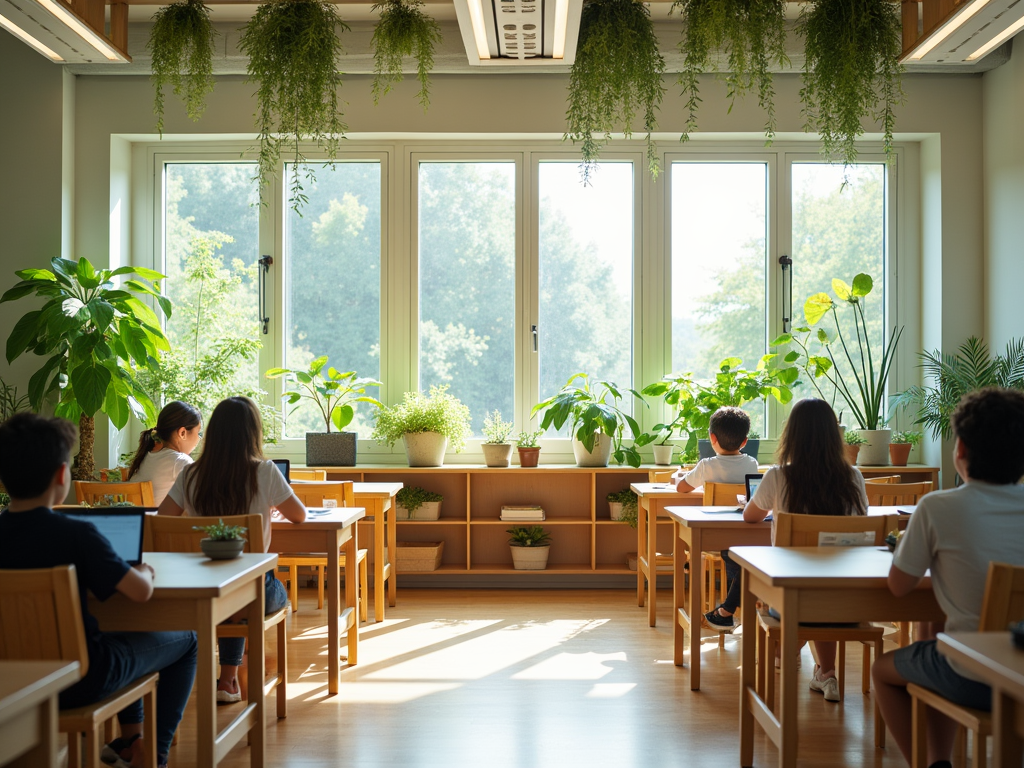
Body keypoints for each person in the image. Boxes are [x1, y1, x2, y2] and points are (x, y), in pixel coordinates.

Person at [0, 413, 197, 768]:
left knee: (115, 629)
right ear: (63, 477)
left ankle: (131, 742)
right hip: (81, 679)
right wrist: (144, 572)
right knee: (188, 640)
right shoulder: (78, 534)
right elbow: (138, 593)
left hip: (10, 685)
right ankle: (154, 756)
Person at [872, 387, 1024, 768]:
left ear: (961, 451)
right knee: (933, 637)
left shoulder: (939, 507)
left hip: (972, 674)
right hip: (1020, 673)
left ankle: (932, 764)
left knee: (884, 670)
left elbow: (899, 586)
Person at [157, 396, 305, 703]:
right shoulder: (264, 471)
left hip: (204, 587)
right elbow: (299, 515)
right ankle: (229, 681)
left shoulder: (191, 474)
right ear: (253, 432)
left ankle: (228, 680)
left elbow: (162, 520)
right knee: (260, 591)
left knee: (232, 595)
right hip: (252, 593)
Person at [741, 397, 869, 702]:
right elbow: (863, 525)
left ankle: (783, 650)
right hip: (846, 598)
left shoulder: (778, 476)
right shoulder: (854, 477)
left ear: (792, 435)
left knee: (802, 595)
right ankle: (827, 674)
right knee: (824, 593)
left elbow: (750, 516)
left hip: (792, 597)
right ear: (833, 435)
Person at [669, 406, 759, 633]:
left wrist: (677, 476)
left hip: (713, 536)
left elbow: (682, 488)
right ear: (745, 441)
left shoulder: (707, 465)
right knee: (735, 554)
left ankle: (727, 611)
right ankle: (730, 609)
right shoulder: (752, 464)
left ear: (712, 438)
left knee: (728, 551)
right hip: (744, 535)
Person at [126, 401, 202, 505]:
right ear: (182, 433)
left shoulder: (147, 456)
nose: (199, 438)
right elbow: (202, 498)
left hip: (141, 520)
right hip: (160, 521)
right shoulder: (180, 461)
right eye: (198, 433)